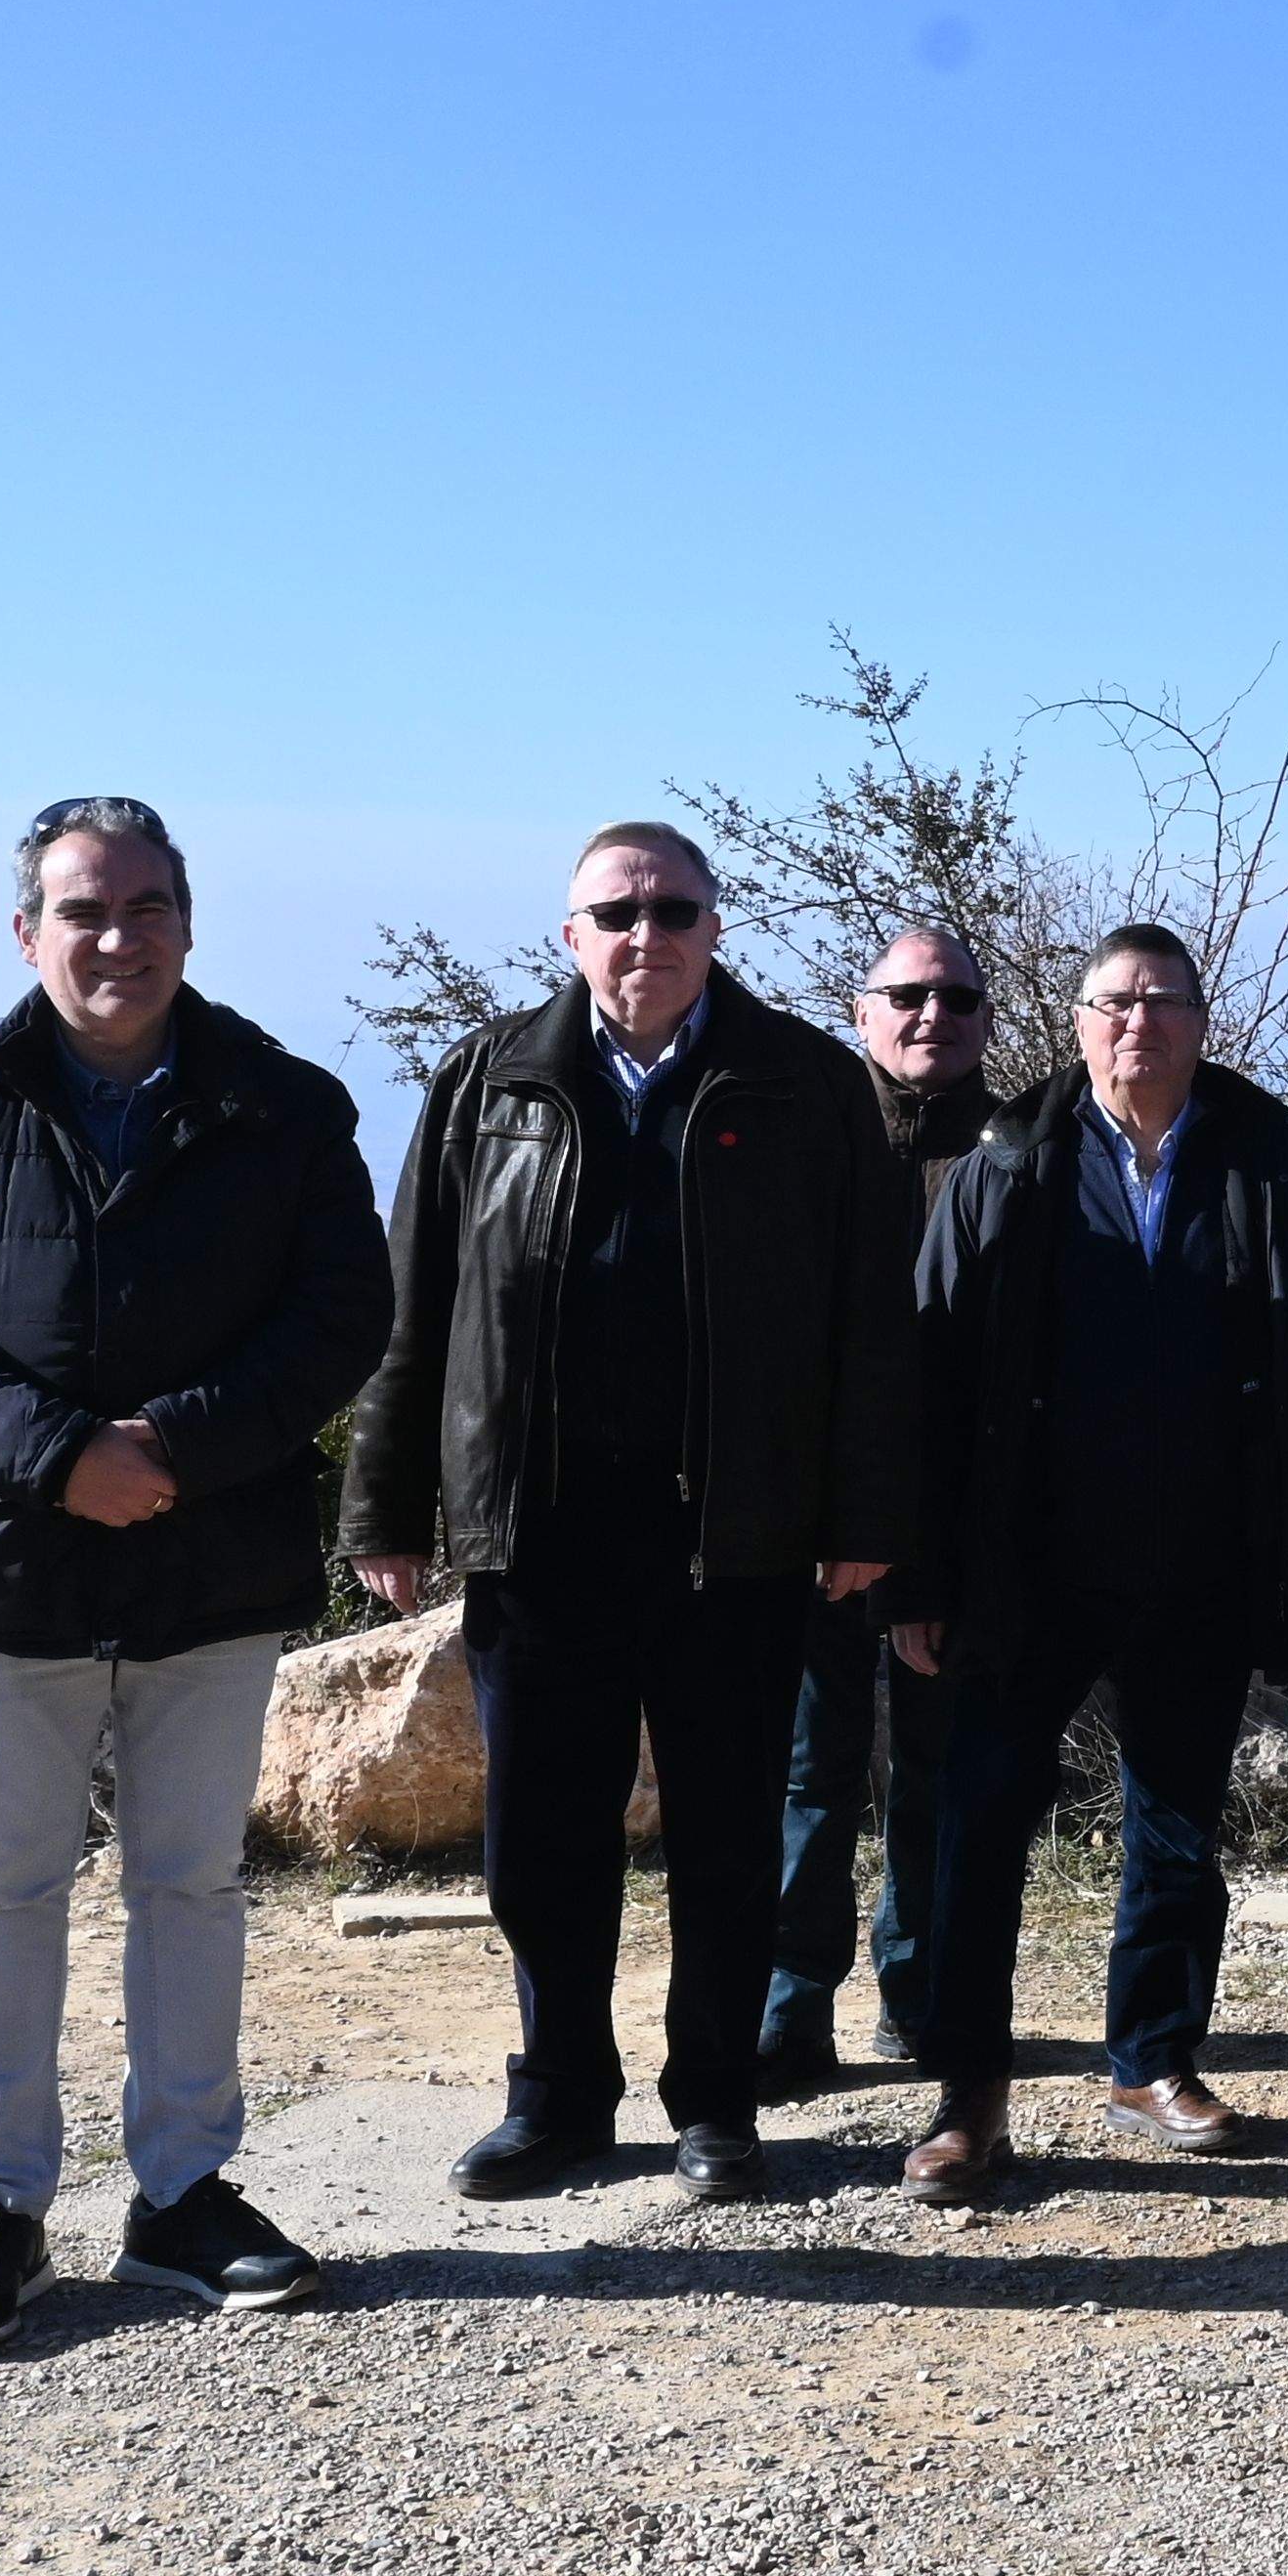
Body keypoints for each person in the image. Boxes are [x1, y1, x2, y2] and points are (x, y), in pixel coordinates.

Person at [0, 797, 392, 2353]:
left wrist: (180, 1447)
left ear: (189, 924)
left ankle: (184, 2195)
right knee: (3, 1887)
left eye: (146, 907)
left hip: (211, 1563)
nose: (116, 938)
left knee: (192, 1886)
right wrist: (57, 1451)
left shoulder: (284, 1105)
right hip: (6, 1565)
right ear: (29, 934)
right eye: (84, 910)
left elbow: (343, 1315)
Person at [341, 824, 914, 2207]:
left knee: (725, 1834)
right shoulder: (491, 1080)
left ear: (716, 928)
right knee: (542, 1836)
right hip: (542, 1531)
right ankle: (558, 2099)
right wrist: (388, 1499)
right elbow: (413, 1307)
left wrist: (863, 1504)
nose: (644, 934)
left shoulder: (805, 1084)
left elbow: (870, 1319)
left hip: (739, 1529)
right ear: (570, 932)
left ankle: (716, 2100)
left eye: (673, 910)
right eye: (618, 911)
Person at [888, 929, 1288, 2207]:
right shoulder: (1006, 1165)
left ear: (1202, 1021)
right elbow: (929, 1380)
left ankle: (1154, 2060)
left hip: (1205, 1559)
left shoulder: (1277, 1172)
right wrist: (917, 1580)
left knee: (1177, 1829)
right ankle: (967, 2097)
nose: (1135, 1023)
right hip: (1020, 1568)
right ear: (1077, 1023)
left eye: (1160, 1002)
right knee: (980, 1821)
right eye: (1112, 1003)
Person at [762, 923, 995, 2096]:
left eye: (957, 997)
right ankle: (789, 2009)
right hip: (804, 1530)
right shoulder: (801, 1138)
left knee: (935, 1776)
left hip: (949, 1530)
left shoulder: (1018, 1154)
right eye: (907, 995)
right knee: (807, 1773)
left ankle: (923, 1996)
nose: (930, 1016)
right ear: (862, 1011)